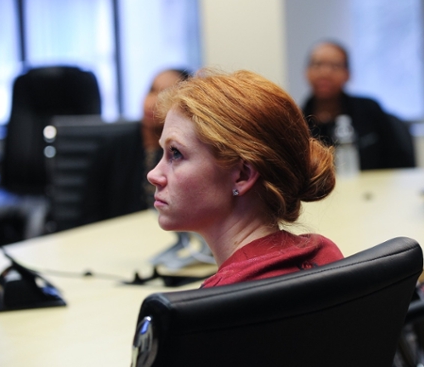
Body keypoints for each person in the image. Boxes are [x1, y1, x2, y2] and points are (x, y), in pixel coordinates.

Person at [146, 69, 344, 288]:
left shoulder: (215, 303)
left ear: (243, 175)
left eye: (175, 153)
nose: (153, 175)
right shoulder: (325, 255)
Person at [80, 69, 190, 225]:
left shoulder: (185, 153)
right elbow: (89, 215)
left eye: (166, 95)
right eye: (151, 90)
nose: (153, 102)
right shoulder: (111, 149)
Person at [301, 41, 414, 170]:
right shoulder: (297, 119)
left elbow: (400, 161)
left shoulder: (369, 110)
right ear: (306, 72)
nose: (325, 73)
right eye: (317, 65)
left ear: (348, 74)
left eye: (335, 66)